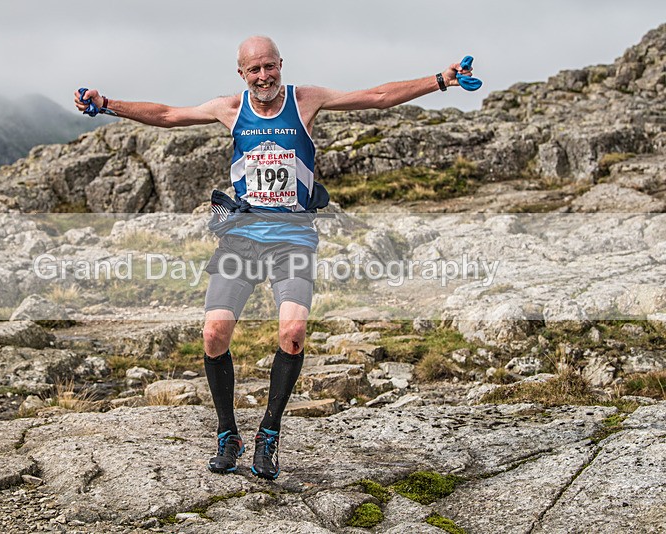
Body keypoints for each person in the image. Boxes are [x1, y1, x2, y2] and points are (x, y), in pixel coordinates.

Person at [75, 36, 473, 480]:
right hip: (240, 239)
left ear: (281, 64)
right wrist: (107, 103)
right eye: (254, 70)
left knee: (294, 330)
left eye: (270, 67)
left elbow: (378, 98)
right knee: (213, 335)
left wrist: (441, 80)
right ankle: (229, 433)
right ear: (241, 74)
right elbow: (167, 116)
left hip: (293, 240)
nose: (264, 76)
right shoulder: (230, 108)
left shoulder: (307, 101)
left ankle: (269, 433)